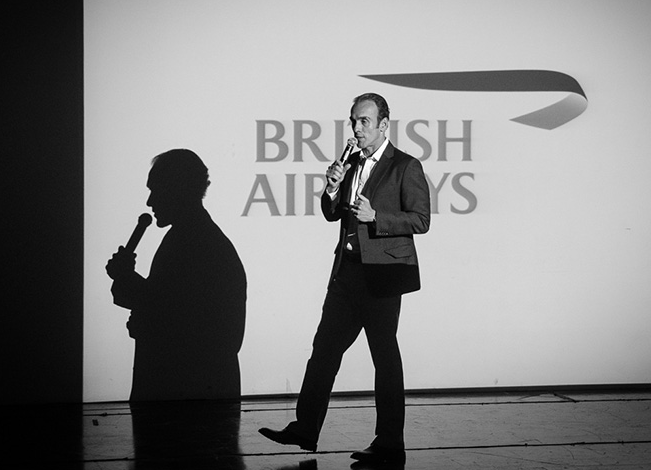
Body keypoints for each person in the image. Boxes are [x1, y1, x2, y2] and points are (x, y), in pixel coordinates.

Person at [259, 93, 430, 465]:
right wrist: (333, 187)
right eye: (353, 120)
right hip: (347, 273)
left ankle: (390, 443)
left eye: (364, 121)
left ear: (384, 125)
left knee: (384, 359)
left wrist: (377, 217)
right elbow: (331, 213)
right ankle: (305, 429)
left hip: (382, 276)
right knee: (324, 350)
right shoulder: (351, 162)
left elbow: (421, 220)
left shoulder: (405, 166)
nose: (356, 127)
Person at [106, 149, 246, 401]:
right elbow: (166, 305)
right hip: (191, 394)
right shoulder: (195, 238)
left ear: (177, 189)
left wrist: (125, 277)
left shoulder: (194, 243)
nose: (149, 202)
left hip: (186, 398)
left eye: (155, 190)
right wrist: (127, 279)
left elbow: (169, 315)